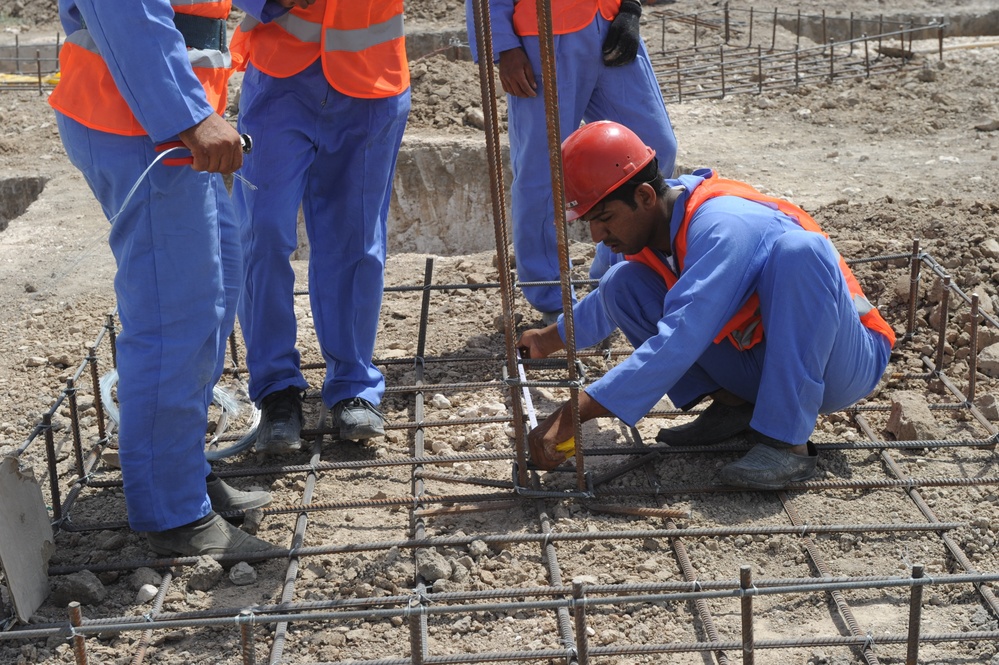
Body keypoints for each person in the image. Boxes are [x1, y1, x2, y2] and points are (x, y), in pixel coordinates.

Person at [517, 121, 895, 489]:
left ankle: (786, 443)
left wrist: (576, 412)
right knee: (623, 284)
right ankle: (736, 408)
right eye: (588, 223)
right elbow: (605, 303)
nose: (597, 235)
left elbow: (682, 333)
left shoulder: (724, 225)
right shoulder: (649, 229)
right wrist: (546, 339)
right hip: (765, 359)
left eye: (604, 219)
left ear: (645, 197)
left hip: (843, 362)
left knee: (800, 252)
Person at [47, 0, 291, 555]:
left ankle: (179, 465)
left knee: (216, 289)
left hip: (162, 122)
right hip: (143, 124)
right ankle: (173, 513)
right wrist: (188, 115)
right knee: (174, 313)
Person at [229, 0, 411, 455]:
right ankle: (276, 389)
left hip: (370, 80)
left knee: (356, 241)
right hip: (281, 81)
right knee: (262, 234)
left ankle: (352, 384)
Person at [466, 0, 678, 324]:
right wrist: (504, 45)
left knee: (653, 148)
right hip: (543, 34)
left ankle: (616, 276)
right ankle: (553, 298)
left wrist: (630, 9)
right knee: (543, 171)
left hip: (607, 20)